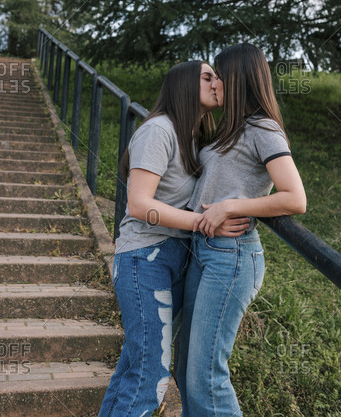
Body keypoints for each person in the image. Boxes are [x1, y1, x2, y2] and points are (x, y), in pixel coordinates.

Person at [99, 60, 250, 417]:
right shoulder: (159, 130)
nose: (217, 83)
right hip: (143, 259)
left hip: (175, 259)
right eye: (207, 77)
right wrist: (203, 221)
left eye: (218, 77)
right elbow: (138, 204)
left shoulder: (194, 136)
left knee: (134, 367)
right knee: (151, 374)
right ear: (184, 85)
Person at [177, 43, 307, 417]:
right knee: (186, 369)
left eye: (219, 75)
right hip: (201, 250)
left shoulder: (263, 128)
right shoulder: (231, 127)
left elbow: (295, 198)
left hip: (231, 258)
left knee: (205, 375)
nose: (214, 82)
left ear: (237, 79)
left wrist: (232, 205)